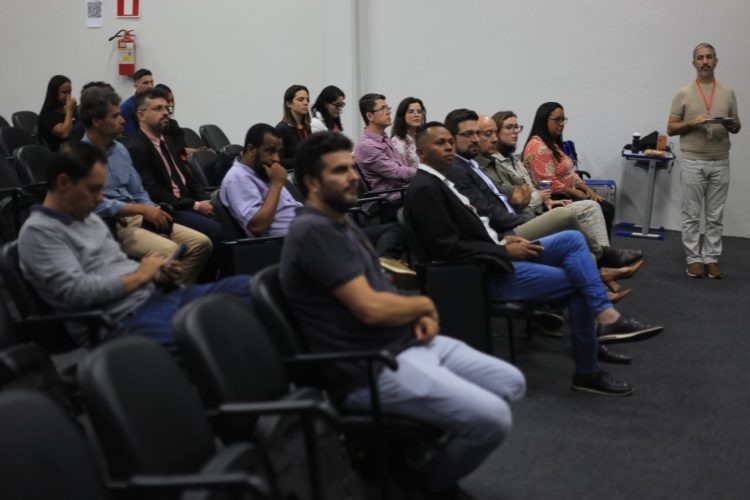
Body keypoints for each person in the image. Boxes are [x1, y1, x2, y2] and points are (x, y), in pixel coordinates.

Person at [281, 130, 526, 499]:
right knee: (493, 419)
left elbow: (381, 287)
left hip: (403, 342)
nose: (353, 177)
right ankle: (425, 482)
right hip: (370, 365)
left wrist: (411, 316)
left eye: (352, 167)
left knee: (510, 382)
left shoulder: (340, 222)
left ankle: (412, 458)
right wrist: (422, 306)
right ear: (312, 183)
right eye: (339, 171)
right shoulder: (314, 231)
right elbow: (370, 307)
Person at [405, 121, 664, 396]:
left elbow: (469, 232)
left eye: (449, 141)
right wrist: (503, 250)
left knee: (571, 239)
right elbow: (447, 249)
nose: (448, 147)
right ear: (421, 153)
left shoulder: (441, 181)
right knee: (579, 283)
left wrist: (503, 241)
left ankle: (604, 319)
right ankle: (589, 365)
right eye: (440, 143)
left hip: (492, 254)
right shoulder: (425, 188)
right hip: (479, 273)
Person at [17, 141, 252, 346]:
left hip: (154, 299)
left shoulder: (89, 218)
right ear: (63, 183)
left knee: (248, 288)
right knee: (212, 333)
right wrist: (141, 275)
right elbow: (78, 293)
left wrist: (157, 274)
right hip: (122, 321)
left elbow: (119, 267)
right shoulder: (39, 232)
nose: (101, 199)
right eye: (94, 189)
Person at [444, 109, 641, 276]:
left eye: (516, 127)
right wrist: (524, 209)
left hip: (524, 214)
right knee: (567, 216)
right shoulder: (466, 167)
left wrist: (529, 196)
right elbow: (500, 205)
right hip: (510, 227)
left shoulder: (480, 164)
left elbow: (523, 188)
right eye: (472, 134)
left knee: (588, 234)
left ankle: (601, 281)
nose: (479, 139)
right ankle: (604, 257)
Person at [80, 87, 212, 285]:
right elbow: (93, 206)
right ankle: (164, 295)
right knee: (171, 251)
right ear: (97, 121)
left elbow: (139, 191)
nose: (123, 120)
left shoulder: (120, 149)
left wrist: (154, 215)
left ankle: (173, 293)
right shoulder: (80, 156)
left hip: (140, 216)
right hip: (113, 225)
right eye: (115, 116)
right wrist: (142, 210)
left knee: (201, 244)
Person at [667, 42, 741, 279]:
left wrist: (733, 125)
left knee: (715, 215)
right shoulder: (683, 93)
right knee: (691, 214)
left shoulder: (728, 92)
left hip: (720, 160)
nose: (705, 61)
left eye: (709, 57)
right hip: (693, 161)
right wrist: (692, 122)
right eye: (700, 58)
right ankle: (693, 259)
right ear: (694, 63)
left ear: (716, 61)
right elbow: (671, 128)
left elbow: (737, 124)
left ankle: (711, 258)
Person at [127, 87, 223, 256]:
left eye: (166, 108)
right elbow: (154, 192)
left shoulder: (169, 141)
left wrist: (204, 199)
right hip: (170, 209)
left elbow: (188, 177)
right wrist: (196, 205)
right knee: (215, 231)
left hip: (188, 202)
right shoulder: (137, 148)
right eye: (158, 108)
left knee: (227, 214)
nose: (165, 112)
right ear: (141, 115)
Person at [522, 102, 616, 236]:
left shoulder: (552, 144)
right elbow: (547, 182)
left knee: (607, 207)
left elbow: (571, 173)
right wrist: (577, 193)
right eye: (557, 120)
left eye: (563, 120)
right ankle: (598, 248)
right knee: (603, 210)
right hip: (553, 199)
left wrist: (587, 190)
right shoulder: (537, 146)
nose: (561, 124)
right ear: (544, 121)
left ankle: (600, 247)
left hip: (567, 193)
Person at [220, 123, 300, 238]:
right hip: (286, 242)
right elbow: (257, 227)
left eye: (278, 152)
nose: (276, 159)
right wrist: (276, 185)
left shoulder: (263, 171)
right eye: (270, 151)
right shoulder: (237, 178)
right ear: (251, 149)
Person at [353, 93, 415, 220]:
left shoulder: (383, 138)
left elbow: (400, 167)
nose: (388, 112)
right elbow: (396, 173)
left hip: (401, 195)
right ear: (370, 116)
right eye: (382, 109)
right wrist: (424, 173)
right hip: (390, 203)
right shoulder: (367, 146)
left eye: (388, 108)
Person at [276, 84, 312, 169]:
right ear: (289, 104)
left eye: (307, 100)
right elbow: (278, 160)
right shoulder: (281, 129)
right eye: (301, 100)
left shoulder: (307, 128)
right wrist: (303, 161)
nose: (306, 103)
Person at [38, 75, 77, 151]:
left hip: (75, 149)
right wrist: (69, 111)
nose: (68, 96)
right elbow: (65, 133)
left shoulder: (68, 110)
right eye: (65, 92)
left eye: (70, 92)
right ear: (54, 93)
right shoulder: (46, 115)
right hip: (60, 154)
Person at [390, 97, 426, 169]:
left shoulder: (424, 137)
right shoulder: (397, 142)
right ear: (402, 115)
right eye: (411, 112)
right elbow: (399, 170)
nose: (416, 115)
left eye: (419, 111)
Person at [119, 68, 154, 137]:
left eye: (151, 82)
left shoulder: (156, 103)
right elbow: (131, 137)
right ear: (135, 86)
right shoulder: (127, 107)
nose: (150, 86)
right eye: (145, 83)